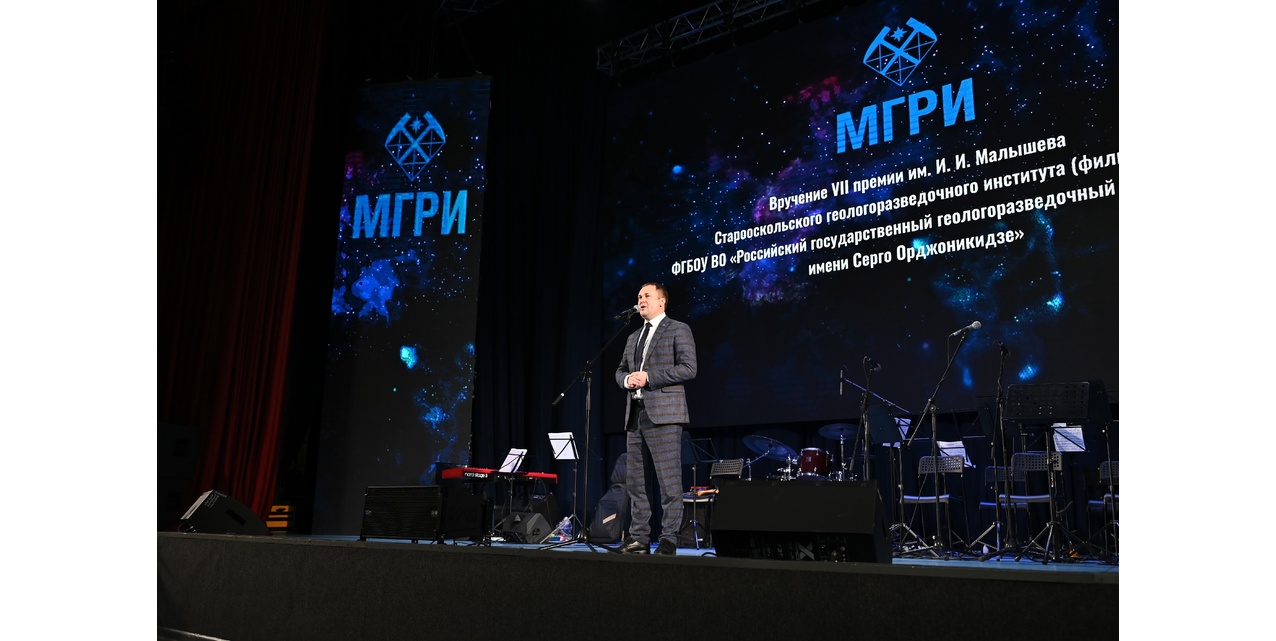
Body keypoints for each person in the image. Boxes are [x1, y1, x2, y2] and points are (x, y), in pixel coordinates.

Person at [614, 282, 697, 555]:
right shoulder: (633, 337)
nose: (641, 300)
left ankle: (669, 539)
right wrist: (626, 379)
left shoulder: (678, 329)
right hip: (635, 415)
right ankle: (639, 538)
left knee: (668, 483)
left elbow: (688, 368)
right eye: (639, 296)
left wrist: (649, 377)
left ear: (662, 301)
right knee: (636, 483)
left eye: (647, 296)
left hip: (665, 415)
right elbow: (620, 370)